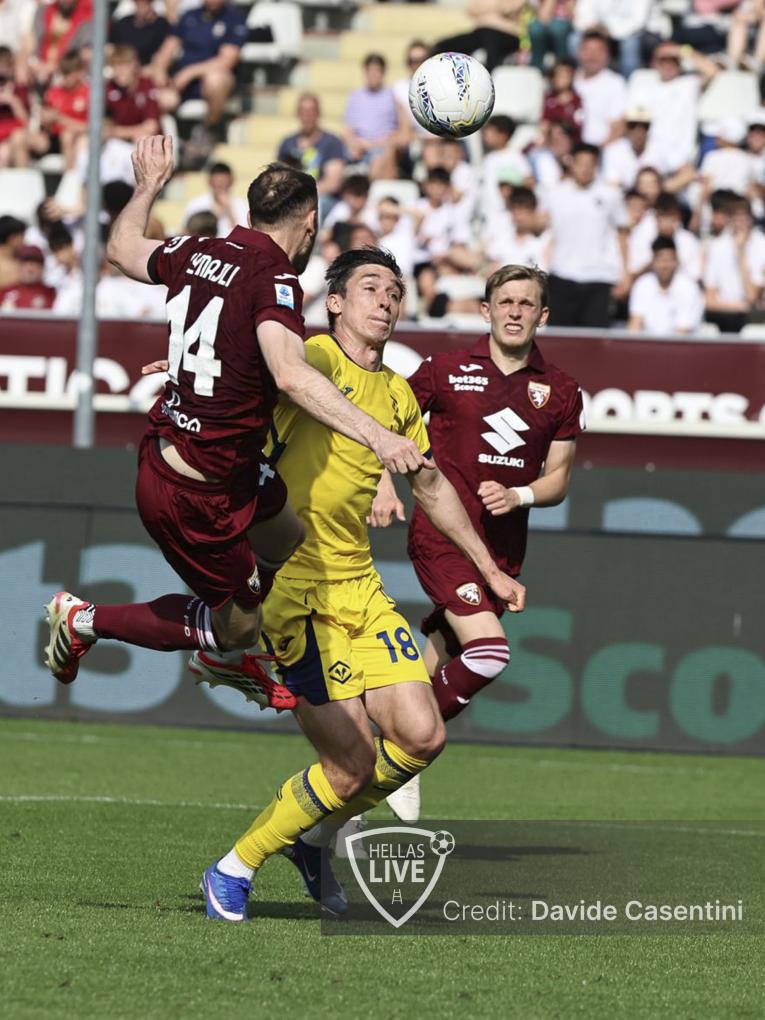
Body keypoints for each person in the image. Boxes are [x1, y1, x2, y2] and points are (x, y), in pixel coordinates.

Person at [43, 136, 432, 705]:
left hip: (222, 463)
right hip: (197, 487)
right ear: (311, 222)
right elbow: (291, 374)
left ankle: (232, 637)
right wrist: (379, 436)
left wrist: (148, 186)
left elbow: (122, 249)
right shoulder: (275, 280)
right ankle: (85, 620)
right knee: (238, 627)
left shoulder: (196, 250)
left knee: (286, 534)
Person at [198, 248, 526, 922]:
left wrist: (488, 567)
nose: (386, 299)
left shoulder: (399, 393)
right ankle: (235, 867)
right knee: (348, 763)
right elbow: (251, 378)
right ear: (335, 303)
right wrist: (184, 376)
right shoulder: (310, 360)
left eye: (395, 291)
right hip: (294, 590)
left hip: (360, 587)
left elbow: (430, 486)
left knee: (422, 737)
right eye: (370, 287)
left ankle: (312, 840)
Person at [370, 264, 583, 821]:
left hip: (502, 553)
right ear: (486, 311)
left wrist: (519, 496)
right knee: (489, 651)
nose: (515, 311)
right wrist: (383, 482)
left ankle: (371, 761)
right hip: (441, 535)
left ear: (543, 315)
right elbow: (382, 421)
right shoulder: (445, 370)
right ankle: (402, 750)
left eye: (526, 303)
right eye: (505, 301)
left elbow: (559, 480)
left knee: (439, 657)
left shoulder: (561, 390)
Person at [543, 142, 628, 327]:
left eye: (590, 164)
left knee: (595, 339)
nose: (585, 169)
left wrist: (625, 275)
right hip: (562, 274)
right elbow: (544, 230)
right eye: (581, 163)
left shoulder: (611, 194)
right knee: (560, 338)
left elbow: (622, 234)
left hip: (599, 276)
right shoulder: (555, 194)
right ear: (572, 163)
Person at [151, 0, 246, 164]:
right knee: (158, 94)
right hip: (181, 84)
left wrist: (189, 73)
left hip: (209, 82)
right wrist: (160, 70)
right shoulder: (189, 16)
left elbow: (227, 60)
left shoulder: (234, 18)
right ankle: (165, 146)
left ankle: (209, 130)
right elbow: (168, 48)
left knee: (215, 80)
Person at [276, 92, 347, 221]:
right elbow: (280, 177)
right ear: (297, 114)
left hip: (322, 198)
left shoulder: (332, 143)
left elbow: (333, 183)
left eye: (311, 111)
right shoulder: (287, 143)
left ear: (318, 113)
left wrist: (303, 193)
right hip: (293, 197)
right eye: (303, 111)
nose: (307, 115)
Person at [628, 236, 705, 335]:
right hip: (648, 343)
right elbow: (634, 326)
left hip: (680, 344)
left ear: (676, 261)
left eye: (669, 260)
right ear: (653, 262)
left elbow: (682, 333)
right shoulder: (642, 285)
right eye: (661, 260)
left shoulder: (689, 288)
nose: (664, 266)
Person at [343, 53, 399, 179]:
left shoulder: (392, 96)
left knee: (379, 159)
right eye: (370, 71)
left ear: (383, 73)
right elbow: (347, 130)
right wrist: (353, 144)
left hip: (382, 146)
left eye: (377, 71)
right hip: (359, 146)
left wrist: (379, 143)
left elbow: (400, 129)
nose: (373, 75)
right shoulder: (355, 97)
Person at [432, 0, 525, 73]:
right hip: (482, 32)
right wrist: (493, 13)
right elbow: (472, 10)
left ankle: (488, 77)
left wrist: (489, 14)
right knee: (443, 46)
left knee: (491, 45)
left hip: (507, 33)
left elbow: (509, 8)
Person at [574, 30, 626, 148]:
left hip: (603, 149)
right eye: (588, 50)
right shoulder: (570, 80)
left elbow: (618, 128)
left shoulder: (615, 83)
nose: (592, 56)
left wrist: (594, 153)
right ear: (579, 52)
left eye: (598, 51)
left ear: (607, 54)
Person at [181, 161, 248, 237]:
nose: (220, 186)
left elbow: (244, 236)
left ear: (231, 181)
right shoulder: (196, 204)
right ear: (210, 182)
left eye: (224, 183)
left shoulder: (242, 205)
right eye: (217, 183)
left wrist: (229, 212)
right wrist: (212, 217)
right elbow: (186, 232)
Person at [108, 0, 171, 70]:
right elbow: (111, 47)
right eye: (137, 2)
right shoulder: (123, 23)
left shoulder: (161, 25)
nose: (140, 6)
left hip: (148, 69)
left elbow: (165, 52)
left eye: (144, 3)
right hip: (121, 67)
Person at [0, 243, 55, 308]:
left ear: (42, 268)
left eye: (34, 264)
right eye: (25, 264)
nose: (29, 269)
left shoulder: (51, 293)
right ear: (19, 266)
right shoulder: (5, 292)